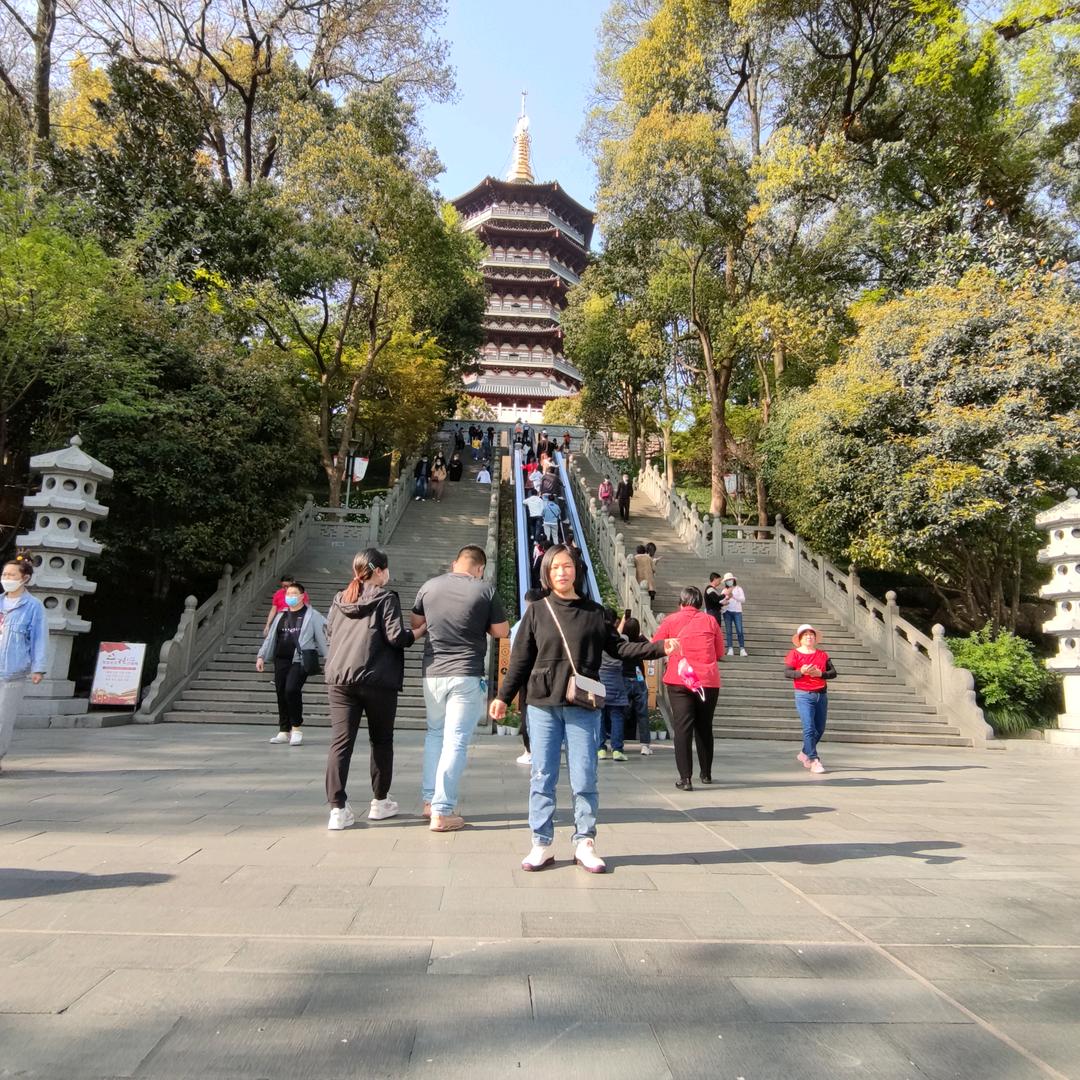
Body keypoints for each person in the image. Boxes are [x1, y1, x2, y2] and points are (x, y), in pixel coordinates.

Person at [491, 545, 675, 872]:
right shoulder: (538, 610)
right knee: (542, 775)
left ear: (576, 569)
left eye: (567, 566)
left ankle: (585, 841)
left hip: (583, 704)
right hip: (543, 703)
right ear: (546, 572)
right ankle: (541, 843)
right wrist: (503, 696)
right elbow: (519, 659)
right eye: (555, 567)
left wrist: (659, 647)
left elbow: (620, 648)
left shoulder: (594, 611)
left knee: (584, 775)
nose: (562, 572)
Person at [411, 546, 509, 831]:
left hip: (432, 672)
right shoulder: (484, 590)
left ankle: (430, 802)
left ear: (455, 563)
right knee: (455, 741)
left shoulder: (429, 587)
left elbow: (416, 623)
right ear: (480, 568)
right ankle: (442, 810)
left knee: (434, 734)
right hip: (465, 672)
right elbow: (501, 632)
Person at [324, 549, 416, 829]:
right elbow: (396, 637)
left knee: (341, 743)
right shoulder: (386, 598)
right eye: (386, 569)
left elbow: (329, 632)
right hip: (377, 679)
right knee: (381, 740)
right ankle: (380, 802)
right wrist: (418, 633)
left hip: (340, 678)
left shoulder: (340, 597)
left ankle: (337, 810)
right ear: (378, 570)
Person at [652, 586, 725, 791]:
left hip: (680, 678)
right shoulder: (711, 620)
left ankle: (686, 778)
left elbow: (657, 645)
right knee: (704, 727)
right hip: (707, 680)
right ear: (700, 603)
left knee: (683, 729)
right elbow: (719, 651)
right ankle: (706, 773)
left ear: (681, 602)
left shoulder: (671, 620)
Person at [256, 582, 327, 746]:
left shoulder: (312, 615)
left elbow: (326, 634)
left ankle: (296, 728)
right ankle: (283, 730)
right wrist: (261, 656)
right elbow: (271, 638)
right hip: (281, 659)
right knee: (281, 692)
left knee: (291, 689)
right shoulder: (281, 615)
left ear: (302, 596)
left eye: (294, 593)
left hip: (300, 659)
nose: (291, 596)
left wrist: (330, 658)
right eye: (288, 593)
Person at [0, 554, 48, 772]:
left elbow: (39, 637)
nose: (6, 577)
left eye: (11, 574)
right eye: (4, 574)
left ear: (25, 578)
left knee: (3, 719)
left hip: (12, 670)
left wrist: (38, 668)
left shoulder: (33, 606)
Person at [785, 624, 836, 774]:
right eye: (805, 635)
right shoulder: (794, 654)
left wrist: (821, 674)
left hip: (821, 693)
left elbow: (833, 672)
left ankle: (804, 753)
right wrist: (800, 671)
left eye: (811, 634)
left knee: (819, 728)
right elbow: (787, 672)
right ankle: (814, 759)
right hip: (803, 694)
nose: (809, 637)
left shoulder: (822, 654)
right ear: (800, 638)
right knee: (809, 728)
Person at [508, 588, 544, 766]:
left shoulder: (519, 626)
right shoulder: (550, 621)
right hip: (546, 675)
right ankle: (544, 749)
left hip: (526, 675)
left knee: (527, 711)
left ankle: (529, 750)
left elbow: (515, 656)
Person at [597, 608, 630, 761]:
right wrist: (623, 621)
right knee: (617, 715)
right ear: (616, 621)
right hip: (617, 678)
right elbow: (619, 635)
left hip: (600, 679)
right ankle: (617, 749)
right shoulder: (622, 638)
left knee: (600, 715)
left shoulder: (597, 637)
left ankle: (600, 748)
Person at [619, 615, 652, 756]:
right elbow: (651, 646)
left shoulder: (622, 642)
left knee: (619, 713)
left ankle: (617, 744)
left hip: (624, 678)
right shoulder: (640, 642)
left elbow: (617, 636)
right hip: (638, 679)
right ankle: (645, 745)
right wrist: (640, 635)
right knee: (642, 713)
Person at [721, 572, 747, 655]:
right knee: (729, 631)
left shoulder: (739, 589)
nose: (729, 581)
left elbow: (743, 600)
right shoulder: (724, 590)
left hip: (737, 612)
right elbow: (720, 602)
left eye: (730, 579)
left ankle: (742, 648)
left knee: (739, 630)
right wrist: (727, 598)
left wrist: (733, 596)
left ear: (733, 580)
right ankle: (730, 648)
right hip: (727, 612)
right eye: (727, 580)